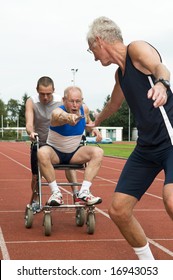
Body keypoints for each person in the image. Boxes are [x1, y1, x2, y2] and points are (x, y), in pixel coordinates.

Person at [86, 16, 173, 260]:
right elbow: (114, 104)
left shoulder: (136, 49)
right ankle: (149, 266)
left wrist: (162, 85)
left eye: (91, 49)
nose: (93, 56)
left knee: (171, 199)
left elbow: (159, 67)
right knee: (119, 210)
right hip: (146, 147)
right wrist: (97, 121)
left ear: (99, 41)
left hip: (170, 141)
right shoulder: (120, 75)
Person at [37, 86, 103, 206]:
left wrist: (95, 129)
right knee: (42, 152)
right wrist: (69, 118)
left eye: (78, 101)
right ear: (64, 100)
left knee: (98, 152)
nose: (75, 105)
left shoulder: (84, 109)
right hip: (55, 152)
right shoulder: (57, 111)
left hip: (74, 153)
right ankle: (56, 193)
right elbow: (59, 116)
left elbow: (87, 122)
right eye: (71, 101)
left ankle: (84, 191)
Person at [25, 76, 79, 213]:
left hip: (58, 142)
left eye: (48, 94)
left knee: (70, 167)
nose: (45, 97)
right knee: (36, 177)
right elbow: (29, 123)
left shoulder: (60, 101)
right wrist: (31, 132)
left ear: (53, 91)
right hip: (40, 142)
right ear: (37, 90)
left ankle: (76, 194)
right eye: (42, 94)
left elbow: (74, 115)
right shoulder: (31, 102)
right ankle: (37, 200)